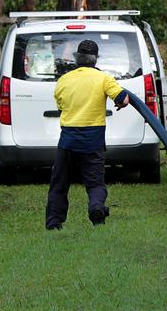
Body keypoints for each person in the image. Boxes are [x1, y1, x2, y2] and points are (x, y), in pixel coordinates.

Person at [45, 39, 132, 230]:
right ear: (95, 59)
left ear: (78, 58)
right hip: (93, 140)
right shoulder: (103, 78)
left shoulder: (64, 80)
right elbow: (124, 99)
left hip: (67, 141)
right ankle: (96, 209)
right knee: (95, 183)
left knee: (59, 184)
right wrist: (119, 103)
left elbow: (61, 107)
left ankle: (53, 223)